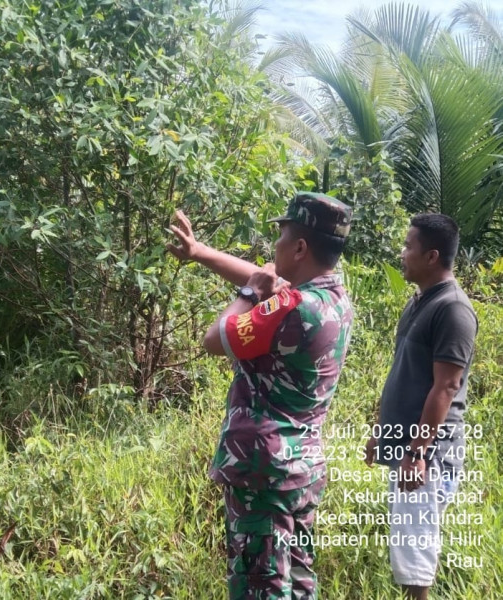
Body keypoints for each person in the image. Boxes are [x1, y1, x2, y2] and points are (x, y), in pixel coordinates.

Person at [167, 192, 354, 599]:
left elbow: (214, 339)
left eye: (281, 236)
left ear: (300, 248)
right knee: (298, 582)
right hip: (299, 470)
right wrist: (200, 252)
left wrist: (249, 294)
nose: (274, 246)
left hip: (263, 475)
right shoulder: (334, 299)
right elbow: (265, 277)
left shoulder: (292, 310)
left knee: (260, 586)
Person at [363, 214, 478, 600]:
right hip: (408, 446)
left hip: (428, 454)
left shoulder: (453, 310)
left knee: (416, 555)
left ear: (432, 256)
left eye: (408, 246)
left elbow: (446, 387)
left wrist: (418, 452)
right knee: (409, 548)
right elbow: (406, 375)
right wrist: (382, 433)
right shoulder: (420, 302)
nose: (402, 253)